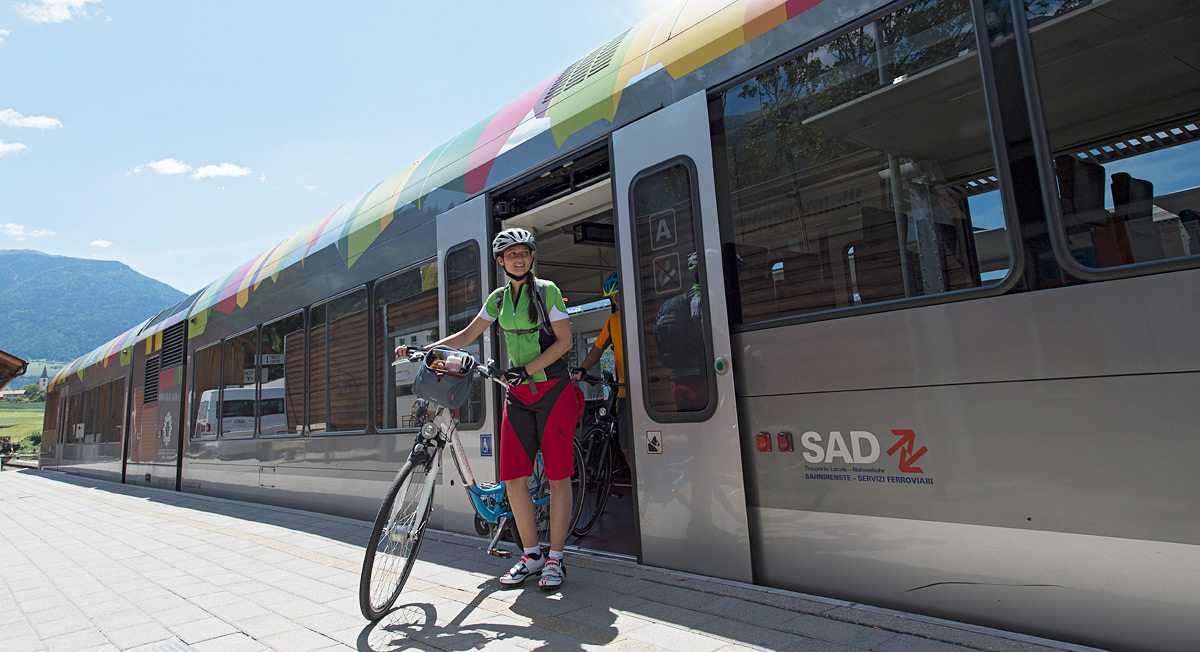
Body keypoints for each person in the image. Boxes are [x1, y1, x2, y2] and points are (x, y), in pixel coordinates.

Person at [395, 227, 580, 590]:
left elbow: (565, 341)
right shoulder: (498, 299)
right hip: (518, 394)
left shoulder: (547, 292)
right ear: (500, 261)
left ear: (531, 257)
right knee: (513, 477)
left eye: (524, 252)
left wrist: (526, 369)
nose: (519, 258)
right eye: (512, 254)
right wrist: (429, 349)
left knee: (558, 477)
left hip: (552, 390)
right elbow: (466, 335)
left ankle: (555, 558)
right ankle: (531, 555)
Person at [571, 271, 632, 470]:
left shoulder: (641, 313)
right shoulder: (612, 321)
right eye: (612, 298)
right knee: (626, 447)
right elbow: (597, 350)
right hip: (623, 393)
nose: (616, 301)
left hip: (645, 390)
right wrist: (582, 368)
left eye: (618, 295)